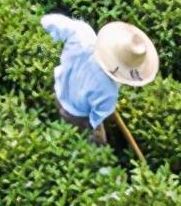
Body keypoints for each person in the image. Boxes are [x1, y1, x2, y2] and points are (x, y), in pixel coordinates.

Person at [40, 13, 159, 146]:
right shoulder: (109, 92)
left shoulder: (83, 35)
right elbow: (96, 117)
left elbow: (50, 22)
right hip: (77, 115)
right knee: (99, 143)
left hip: (59, 91)